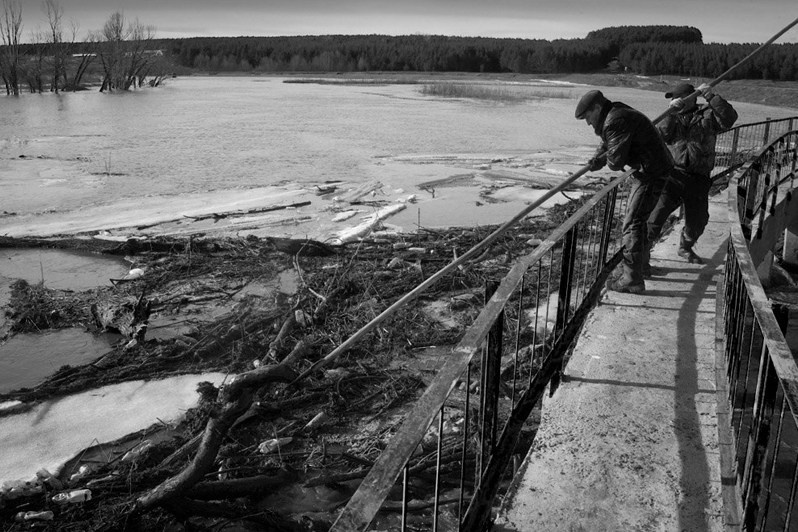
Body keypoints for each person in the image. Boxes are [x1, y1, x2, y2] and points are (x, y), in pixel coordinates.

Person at [575, 90, 673, 294]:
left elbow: (616, 161)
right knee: (640, 221)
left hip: (650, 173)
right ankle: (642, 267)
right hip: (655, 168)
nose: (587, 123)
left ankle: (632, 279)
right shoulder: (615, 112)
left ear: (597, 108)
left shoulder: (614, 120)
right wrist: (597, 158)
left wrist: (605, 160)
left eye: (587, 117)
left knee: (632, 224)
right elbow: (608, 143)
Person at [647, 82, 738, 264]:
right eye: (673, 99)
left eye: (678, 98)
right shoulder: (671, 117)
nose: (675, 101)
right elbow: (661, 135)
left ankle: (685, 247)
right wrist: (670, 113)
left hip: (699, 177)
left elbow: (729, 118)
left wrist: (712, 97)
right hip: (672, 175)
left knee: (699, 221)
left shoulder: (708, 115)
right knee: (655, 218)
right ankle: (643, 256)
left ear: (692, 99)